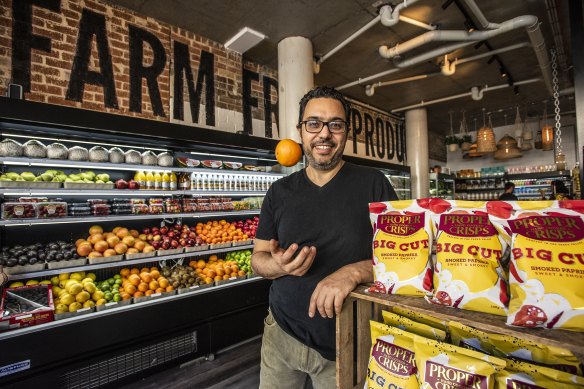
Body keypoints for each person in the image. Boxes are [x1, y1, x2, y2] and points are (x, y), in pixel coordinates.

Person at [252, 86, 397, 388]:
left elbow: (402, 260)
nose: (324, 134)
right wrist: (279, 266)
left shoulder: (374, 184)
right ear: (301, 131)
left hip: (347, 341)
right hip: (280, 334)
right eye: (314, 123)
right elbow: (258, 260)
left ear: (346, 132)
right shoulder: (278, 193)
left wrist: (352, 272)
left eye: (336, 124)